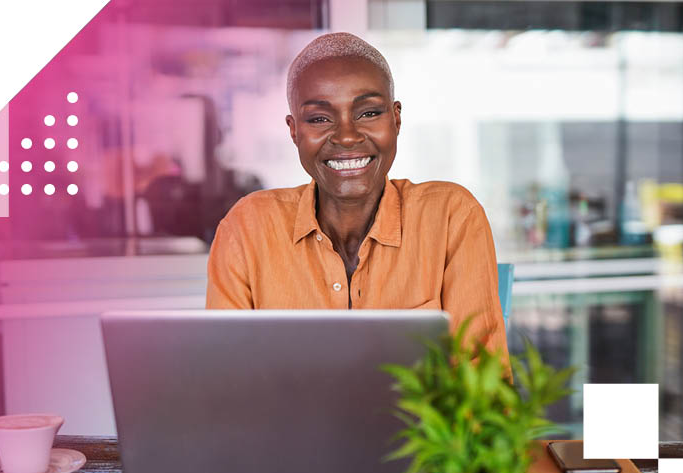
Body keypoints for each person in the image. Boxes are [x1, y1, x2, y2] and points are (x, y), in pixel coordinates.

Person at [206, 32, 509, 373]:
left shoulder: (451, 217)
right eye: (319, 118)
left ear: (396, 119)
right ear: (294, 131)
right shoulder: (247, 228)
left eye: (368, 113)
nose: (347, 136)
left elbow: (484, 386)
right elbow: (224, 380)